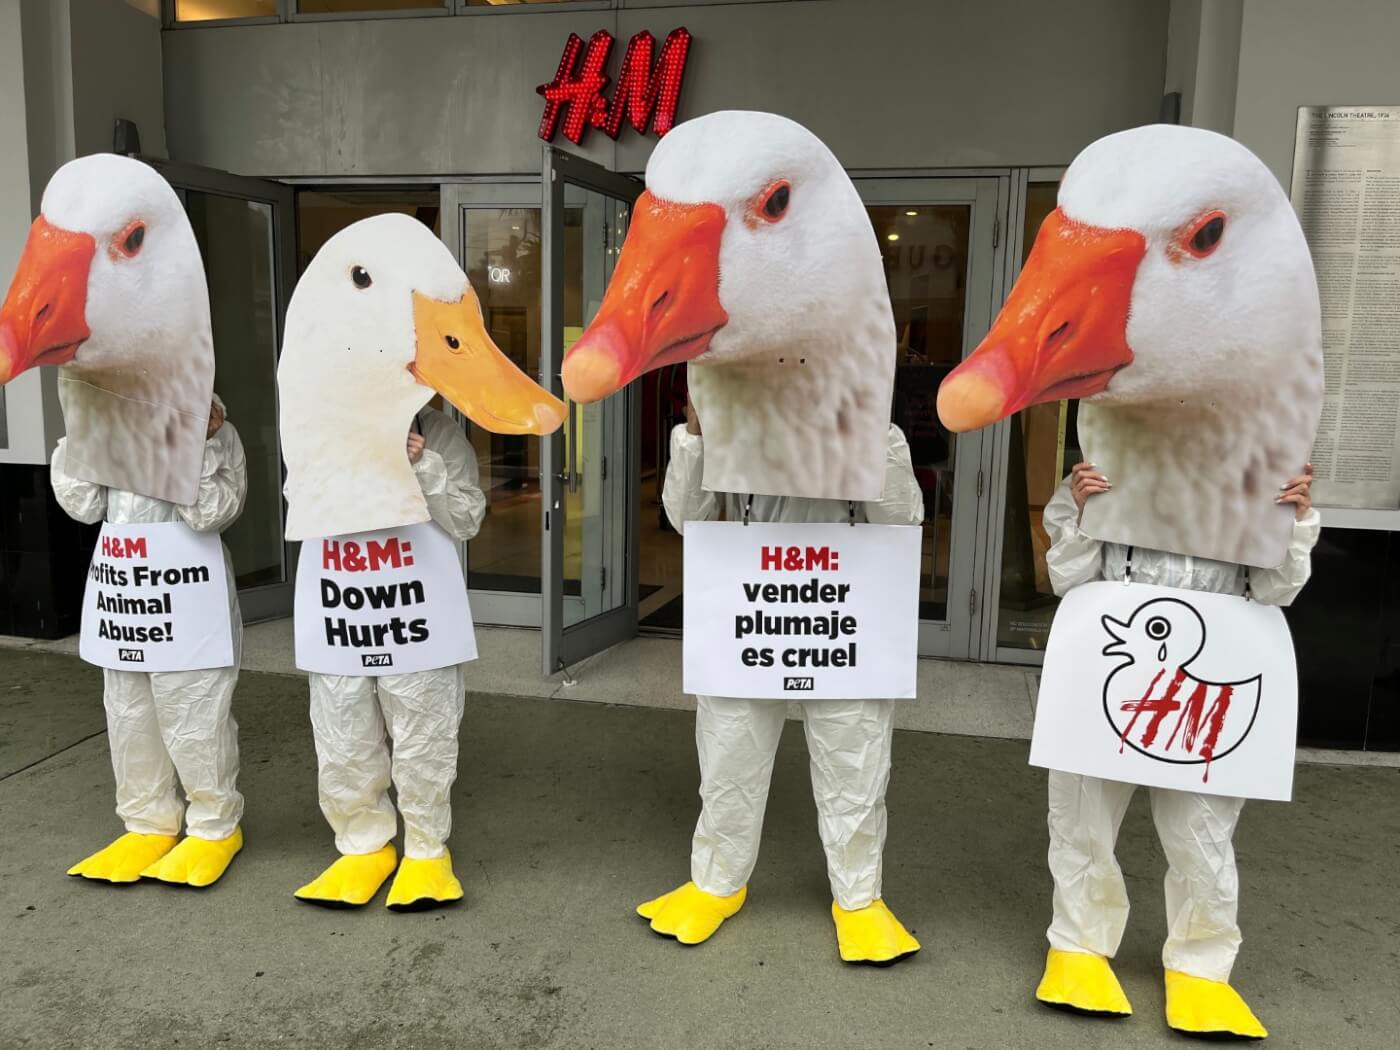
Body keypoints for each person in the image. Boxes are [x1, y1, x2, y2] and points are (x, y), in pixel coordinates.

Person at [1036, 460, 1320, 1038]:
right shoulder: (1115, 464)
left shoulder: (1254, 470)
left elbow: (1276, 588)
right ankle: (1078, 945)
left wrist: (1293, 520)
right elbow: (1069, 575)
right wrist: (1082, 508)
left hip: (1210, 670)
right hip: (1111, 664)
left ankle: (1200, 965)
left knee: (1203, 830)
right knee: (1083, 815)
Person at [640, 398, 925, 964]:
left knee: (856, 758)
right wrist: (696, 432)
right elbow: (685, 515)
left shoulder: (865, 421)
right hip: (753, 612)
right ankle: (716, 881)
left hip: (841, 613)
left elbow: (902, 519)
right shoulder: (732, 417)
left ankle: (859, 897)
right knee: (729, 756)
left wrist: (876, 431)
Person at [294, 405, 486, 911]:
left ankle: (425, 851)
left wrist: (423, 467)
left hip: (414, 610)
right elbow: (299, 501)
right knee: (342, 732)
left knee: (423, 730)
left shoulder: (439, 432)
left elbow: (467, 518)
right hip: (345, 606)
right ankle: (362, 845)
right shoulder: (320, 421)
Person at [56, 395, 249, 887]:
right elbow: (83, 505)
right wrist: (83, 433)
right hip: (125, 599)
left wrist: (201, 444)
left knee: (195, 712)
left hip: (186, 600)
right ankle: (147, 823)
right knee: (128, 712)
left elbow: (213, 514)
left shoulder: (212, 425)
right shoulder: (110, 420)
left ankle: (214, 826)